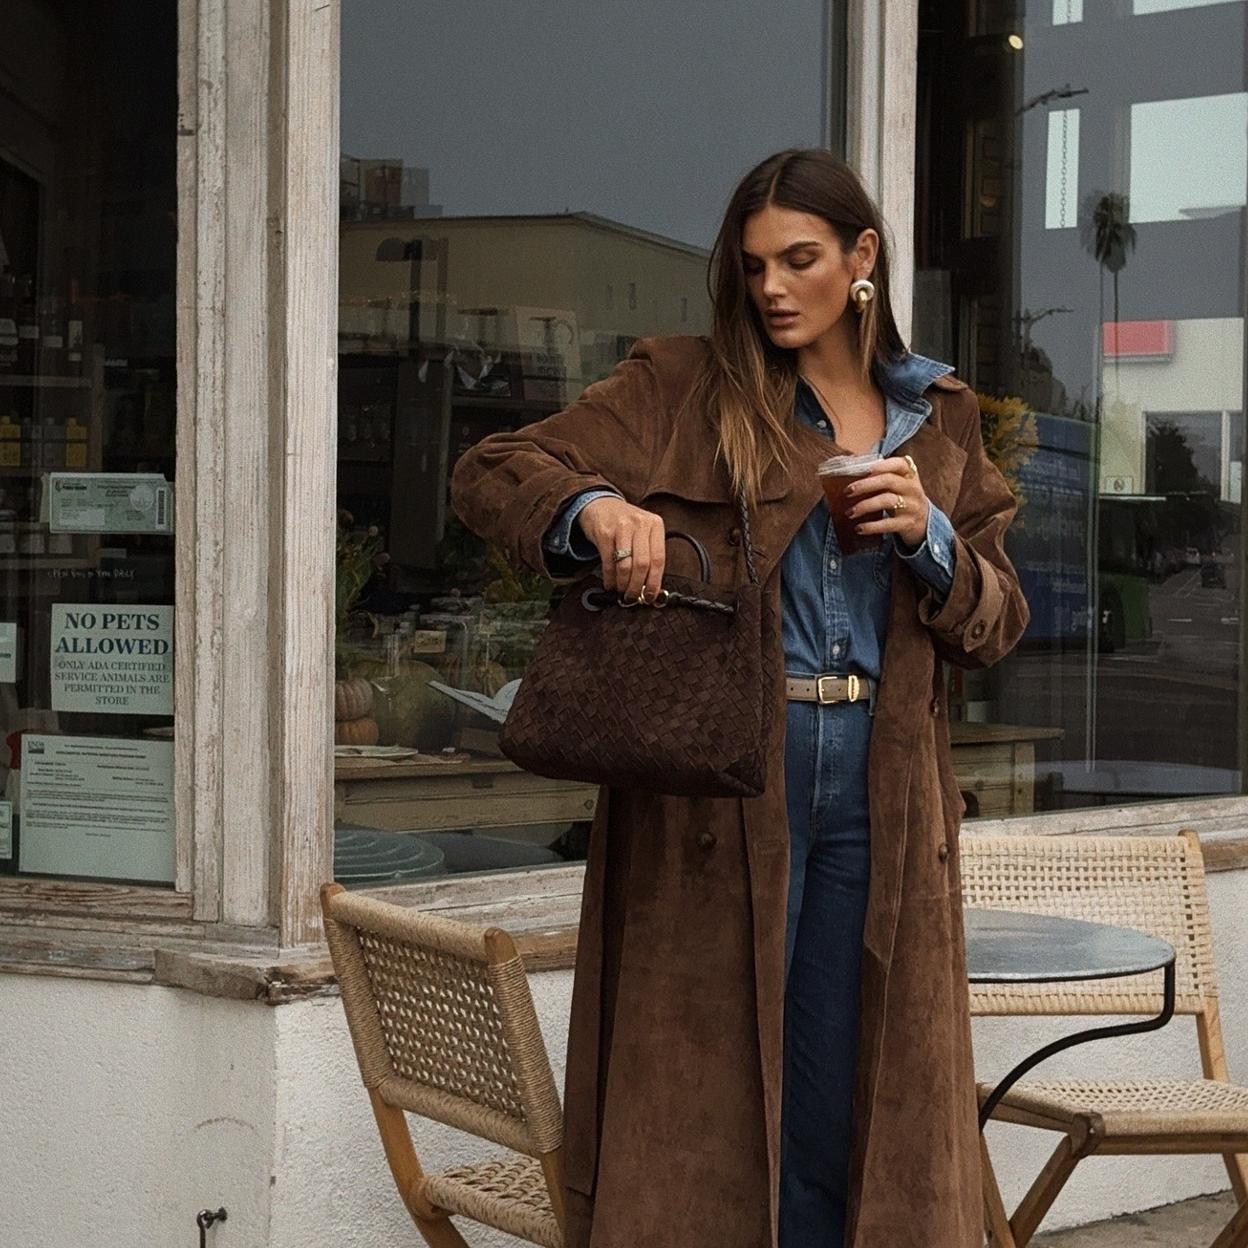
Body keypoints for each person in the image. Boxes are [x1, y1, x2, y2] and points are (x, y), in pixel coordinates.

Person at [450, 147, 1029, 1248]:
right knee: (702, 1094)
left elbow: (996, 627)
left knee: (846, 1086)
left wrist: (932, 538)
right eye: (754, 264)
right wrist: (590, 511)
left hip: (883, 791)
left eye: (799, 260)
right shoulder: (680, 385)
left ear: (861, 258)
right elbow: (494, 468)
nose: (771, 287)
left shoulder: (939, 417)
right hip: (721, 782)